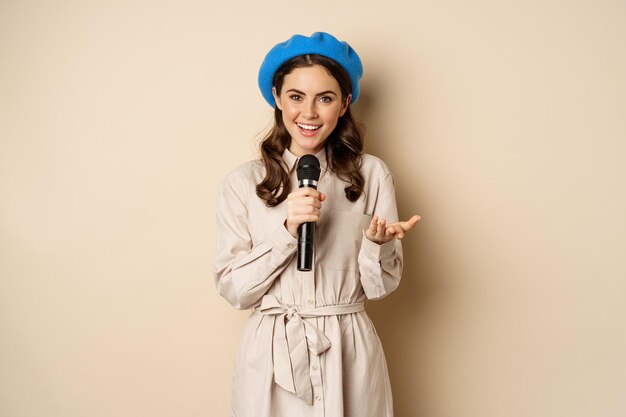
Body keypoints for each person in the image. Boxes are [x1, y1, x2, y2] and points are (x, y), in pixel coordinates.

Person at [213, 32, 420, 417]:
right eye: (296, 96)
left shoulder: (372, 175)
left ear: (344, 103)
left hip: (348, 347)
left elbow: (381, 287)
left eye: (324, 98)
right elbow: (235, 290)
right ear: (277, 97)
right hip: (272, 353)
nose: (308, 113)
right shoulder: (243, 183)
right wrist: (286, 233)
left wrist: (377, 245)